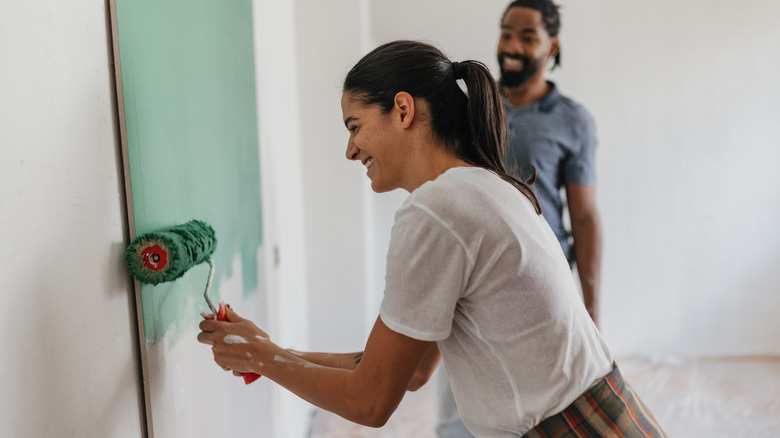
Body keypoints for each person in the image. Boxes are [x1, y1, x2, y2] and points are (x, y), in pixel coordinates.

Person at [197, 40, 664, 437]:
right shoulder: (484, 186)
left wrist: (260, 355)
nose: (350, 150)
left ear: (402, 110)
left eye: (354, 126)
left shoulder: (436, 209)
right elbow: (413, 371)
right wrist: (271, 353)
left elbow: (370, 402)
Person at [438, 3, 605, 436]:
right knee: (456, 412)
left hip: (537, 283)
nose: (512, 46)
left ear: (553, 46)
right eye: (506, 32)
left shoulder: (573, 121)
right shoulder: (469, 106)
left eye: (528, 37)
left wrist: (590, 308)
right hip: (467, 280)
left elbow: (584, 219)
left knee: (535, 411)